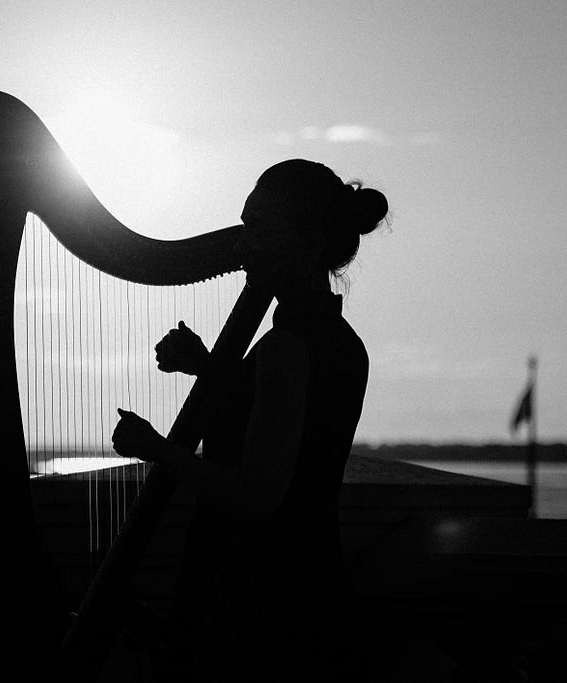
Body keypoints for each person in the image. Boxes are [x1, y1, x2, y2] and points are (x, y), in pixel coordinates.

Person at [112, 159, 388, 680]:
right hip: (311, 585)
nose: (239, 248)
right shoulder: (340, 343)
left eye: (257, 230)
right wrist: (205, 366)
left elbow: (256, 495)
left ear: (307, 243)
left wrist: (154, 445)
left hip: (259, 605)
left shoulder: (286, 347)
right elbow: (286, 421)